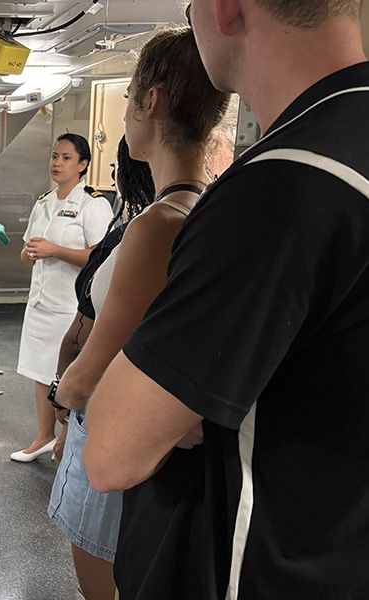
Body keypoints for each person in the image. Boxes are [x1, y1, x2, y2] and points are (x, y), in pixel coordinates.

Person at [82, 1, 369, 598]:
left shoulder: (283, 186)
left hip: (255, 565)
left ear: (227, 8)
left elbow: (113, 451)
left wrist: (182, 412)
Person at [54, 29, 231, 600]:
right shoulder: (206, 209)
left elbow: (90, 374)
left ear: (149, 102)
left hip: (114, 430)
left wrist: (63, 398)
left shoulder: (157, 225)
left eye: (130, 96)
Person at [47, 136, 156, 600]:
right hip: (88, 405)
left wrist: (67, 397)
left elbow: (102, 341)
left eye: (116, 167)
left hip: (100, 405)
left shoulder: (152, 230)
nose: (113, 176)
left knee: (96, 547)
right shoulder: (127, 225)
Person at [12, 133, 113, 462]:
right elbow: (26, 254)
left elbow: (100, 257)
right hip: (40, 302)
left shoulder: (92, 204)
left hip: (70, 308)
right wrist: (30, 253)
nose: (57, 162)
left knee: (66, 376)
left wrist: (54, 250)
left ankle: (73, 443)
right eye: (54, 156)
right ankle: (43, 436)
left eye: (66, 157)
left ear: (83, 164)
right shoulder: (43, 203)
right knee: (39, 371)